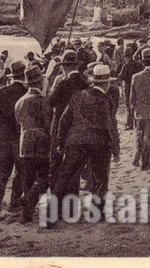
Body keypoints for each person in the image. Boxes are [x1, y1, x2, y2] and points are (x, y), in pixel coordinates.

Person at [51, 65, 120, 224]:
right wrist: (116, 149)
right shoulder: (106, 100)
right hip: (100, 143)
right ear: (107, 84)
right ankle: (97, 213)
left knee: (65, 177)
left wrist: (61, 142)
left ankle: (50, 215)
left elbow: (64, 120)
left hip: (76, 141)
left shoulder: (78, 95)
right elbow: (111, 127)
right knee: (100, 179)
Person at [0, 61, 27, 216]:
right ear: (23, 74)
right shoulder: (26, 91)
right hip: (19, 138)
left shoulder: (2, 91)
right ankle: (14, 202)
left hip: (3, 136)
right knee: (20, 171)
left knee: (2, 171)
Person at [46, 50, 89, 190]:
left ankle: (56, 196)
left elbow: (50, 102)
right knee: (75, 165)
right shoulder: (85, 83)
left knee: (56, 163)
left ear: (65, 67)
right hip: (79, 129)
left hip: (60, 127)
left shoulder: (63, 83)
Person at [14, 65, 51, 224]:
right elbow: (48, 123)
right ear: (39, 82)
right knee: (44, 177)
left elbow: (18, 122)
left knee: (27, 179)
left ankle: (25, 216)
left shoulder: (20, 101)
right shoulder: (44, 101)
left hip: (24, 142)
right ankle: (28, 198)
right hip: (41, 141)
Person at [117, 47, 144, 130]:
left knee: (129, 105)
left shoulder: (126, 66)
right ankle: (138, 123)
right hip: (138, 86)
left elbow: (120, 77)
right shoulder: (139, 64)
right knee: (137, 104)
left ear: (126, 57)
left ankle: (130, 124)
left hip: (129, 87)